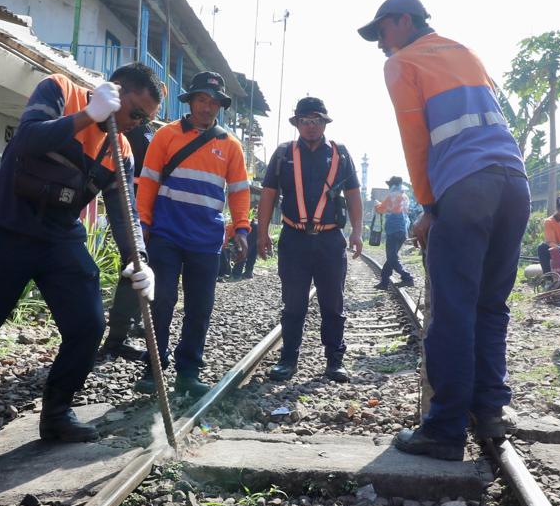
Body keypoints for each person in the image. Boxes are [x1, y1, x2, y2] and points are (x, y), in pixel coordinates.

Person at [0, 64, 161, 475]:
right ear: (115, 91)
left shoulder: (122, 150)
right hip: (4, 225)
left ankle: (56, 413)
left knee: (88, 323)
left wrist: (139, 259)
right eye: (135, 112)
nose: (137, 124)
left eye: (144, 119)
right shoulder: (61, 91)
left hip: (59, 235)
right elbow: (25, 141)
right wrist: (87, 116)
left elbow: (123, 209)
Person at [359, 0, 529, 460]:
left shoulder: (403, 63)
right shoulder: (465, 51)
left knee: (453, 309)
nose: (379, 44)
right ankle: (491, 410)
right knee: (490, 306)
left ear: (403, 21)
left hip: (467, 187)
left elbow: (415, 138)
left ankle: (445, 429)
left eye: (381, 33)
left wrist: (428, 206)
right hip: (515, 182)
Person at [134, 71, 250, 398]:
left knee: (200, 307)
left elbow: (239, 192)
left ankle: (189, 371)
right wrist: (142, 225)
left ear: (219, 107)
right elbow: (148, 182)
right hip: (166, 235)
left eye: (214, 102)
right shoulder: (166, 136)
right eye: (202, 99)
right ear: (191, 101)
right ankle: (153, 366)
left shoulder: (231, 145)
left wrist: (241, 228)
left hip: (206, 239)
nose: (207, 107)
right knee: (162, 300)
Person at [258, 97, 363, 382]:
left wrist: (357, 231)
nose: (311, 126)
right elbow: (268, 193)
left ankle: (334, 360)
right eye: (305, 121)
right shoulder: (283, 154)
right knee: (293, 303)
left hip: (330, 240)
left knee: (333, 302)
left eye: (316, 120)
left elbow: (353, 194)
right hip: (294, 239)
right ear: (297, 124)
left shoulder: (340, 153)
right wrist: (262, 230)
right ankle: (288, 359)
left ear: (325, 122)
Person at [100, 120, 155, 361]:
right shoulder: (128, 128)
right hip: (131, 208)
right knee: (131, 272)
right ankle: (116, 338)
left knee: (142, 272)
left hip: (142, 209)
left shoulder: (148, 130)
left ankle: (133, 324)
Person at [374, 175, 415, 289]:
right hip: (403, 231)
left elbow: (381, 209)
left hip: (393, 230)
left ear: (392, 185)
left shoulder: (392, 195)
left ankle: (407, 277)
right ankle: (384, 282)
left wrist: (377, 204)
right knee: (391, 257)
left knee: (392, 257)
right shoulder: (405, 196)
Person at [537, 195, 560, 274]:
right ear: (558, 209)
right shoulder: (549, 222)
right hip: (556, 249)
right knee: (542, 248)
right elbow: (550, 242)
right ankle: (548, 278)